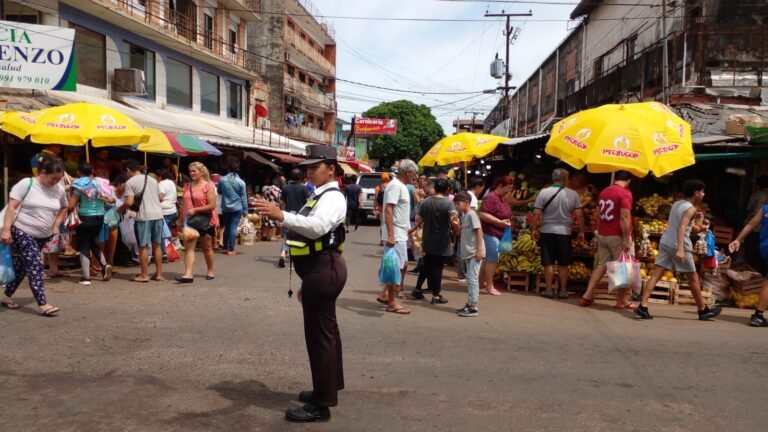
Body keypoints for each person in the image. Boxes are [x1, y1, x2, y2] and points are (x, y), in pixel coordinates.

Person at [253, 145, 347, 423]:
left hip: (324, 269)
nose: (309, 171)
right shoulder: (318, 195)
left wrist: (281, 216)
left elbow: (317, 227)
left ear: (331, 168)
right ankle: (327, 387)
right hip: (318, 271)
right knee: (326, 334)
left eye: (314, 166)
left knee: (320, 338)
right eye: (307, 166)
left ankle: (322, 404)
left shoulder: (332, 197)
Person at [636, 179, 722, 320]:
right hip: (679, 244)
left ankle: (643, 306)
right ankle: (702, 310)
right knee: (693, 278)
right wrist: (681, 249)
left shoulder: (677, 204)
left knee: (656, 275)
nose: (703, 194)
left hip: (665, 242)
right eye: (702, 191)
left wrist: (698, 219)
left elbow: (686, 225)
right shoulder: (691, 208)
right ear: (696, 193)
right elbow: (682, 227)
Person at [1, 154, 67, 316]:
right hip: (22, 230)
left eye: (59, 179)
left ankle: (5, 295)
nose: (55, 182)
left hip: (44, 235)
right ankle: (43, 303)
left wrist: (56, 225)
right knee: (35, 265)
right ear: (43, 172)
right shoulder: (26, 184)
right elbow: (12, 207)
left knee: (22, 266)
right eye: (53, 178)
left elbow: (64, 207)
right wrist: (6, 229)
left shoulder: (58, 190)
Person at [579, 171, 637, 309]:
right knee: (623, 267)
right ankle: (621, 301)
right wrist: (626, 238)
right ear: (628, 181)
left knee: (601, 265)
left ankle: (587, 295)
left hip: (603, 234)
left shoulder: (604, 191)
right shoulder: (625, 194)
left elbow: (598, 213)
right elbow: (624, 217)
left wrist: (599, 230)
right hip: (617, 235)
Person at [532, 168, 585, 299]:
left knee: (548, 262)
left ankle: (549, 289)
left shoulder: (544, 192)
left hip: (547, 231)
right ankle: (563, 290)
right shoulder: (572, 194)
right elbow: (579, 215)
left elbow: (536, 213)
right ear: (565, 179)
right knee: (563, 263)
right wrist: (581, 231)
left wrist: (534, 229)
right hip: (565, 232)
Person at [375, 160, 417, 314]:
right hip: (395, 233)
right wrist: (391, 235)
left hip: (400, 232)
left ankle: (386, 294)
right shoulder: (395, 186)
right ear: (408, 173)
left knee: (401, 264)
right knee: (396, 267)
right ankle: (392, 302)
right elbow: (388, 210)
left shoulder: (401, 187)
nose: (415, 177)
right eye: (413, 173)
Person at [410, 179, 459, 305]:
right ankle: (436, 295)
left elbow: (418, 218)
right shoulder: (449, 204)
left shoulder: (425, 202)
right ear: (447, 190)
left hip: (428, 237)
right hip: (442, 239)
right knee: (438, 267)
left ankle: (417, 289)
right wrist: (457, 230)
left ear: (435, 188)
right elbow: (454, 221)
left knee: (427, 264)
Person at [118, 159, 165, 283]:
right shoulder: (152, 179)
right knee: (157, 245)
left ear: (128, 170)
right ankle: (159, 274)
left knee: (142, 246)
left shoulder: (130, 182)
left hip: (143, 216)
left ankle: (144, 275)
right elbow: (161, 197)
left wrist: (120, 209)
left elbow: (129, 202)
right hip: (158, 215)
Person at [68, 163, 114, 285]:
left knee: (83, 245)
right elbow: (108, 199)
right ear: (92, 171)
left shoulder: (79, 185)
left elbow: (72, 205)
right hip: (99, 217)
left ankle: (86, 278)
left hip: (85, 218)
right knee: (92, 242)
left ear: (78, 172)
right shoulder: (100, 183)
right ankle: (105, 265)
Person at [176, 162, 218, 283]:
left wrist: (195, 210)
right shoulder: (186, 186)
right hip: (190, 222)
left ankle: (210, 270)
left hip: (206, 220)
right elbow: (184, 205)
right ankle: (188, 274)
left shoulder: (208, 186)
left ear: (201, 172)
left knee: (207, 247)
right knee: (189, 248)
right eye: (190, 171)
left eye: (194, 171)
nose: (192, 173)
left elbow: (212, 206)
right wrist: (180, 219)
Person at [729, 196, 768, 327]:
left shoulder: (765, 209)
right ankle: (758, 315)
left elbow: (751, 224)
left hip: (764, 247)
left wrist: (738, 239)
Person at [478, 175, 514, 296]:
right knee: (492, 259)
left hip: (500, 232)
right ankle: (489, 286)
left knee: (488, 259)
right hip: (490, 232)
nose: (509, 190)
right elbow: (483, 214)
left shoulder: (502, 198)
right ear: (500, 186)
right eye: (507, 188)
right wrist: (499, 222)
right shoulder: (491, 197)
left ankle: (480, 282)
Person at [454, 191, 484, 317]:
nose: (456, 206)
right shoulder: (465, 216)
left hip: (474, 252)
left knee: (472, 278)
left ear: (466, 202)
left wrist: (479, 250)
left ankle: (473, 306)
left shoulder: (472, 215)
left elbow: (479, 231)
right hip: (468, 252)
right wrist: (456, 226)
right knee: (470, 278)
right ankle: (470, 303)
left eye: (458, 203)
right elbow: (462, 234)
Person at [278, 168, 311, 267]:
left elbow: (281, 202)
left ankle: (283, 253)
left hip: (288, 215)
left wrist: (282, 210)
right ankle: (301, 256)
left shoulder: (286, 188)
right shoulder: (303, 188)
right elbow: (309, 202)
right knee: (302, 235)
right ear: (300, 177)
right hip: (301, 216)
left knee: (287, 235)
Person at [218, 161, 248, 256]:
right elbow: (243, 198)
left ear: (228, 169)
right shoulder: (241, 182)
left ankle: (225, 247)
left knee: (227, 227)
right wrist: (245, 210)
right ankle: (231, 249)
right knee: (233, 228)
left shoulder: (222, 179)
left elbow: (219, 191)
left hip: (225, 207)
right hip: (237, 208)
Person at [157, 168, 178, 261]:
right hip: (172, 210)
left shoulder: (161, 183)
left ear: (160, 176)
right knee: (167, 232)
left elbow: (160, 197)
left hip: (164, 211)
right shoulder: (172, 182)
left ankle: (164, 253)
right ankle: (170, 251)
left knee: (162, 233)